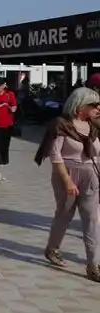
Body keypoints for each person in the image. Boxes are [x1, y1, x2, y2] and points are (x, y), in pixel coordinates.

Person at [36, 87, 100, 280]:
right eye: (94, 105)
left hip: (91, 174)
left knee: (92, 219)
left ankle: (93, 264)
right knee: (64, 214)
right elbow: (55, 155)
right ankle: (52, 248)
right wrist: (67, 181)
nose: (98, 108)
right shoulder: (61, 124)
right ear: (81, 106)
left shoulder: (95, 126)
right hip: (67, 174)